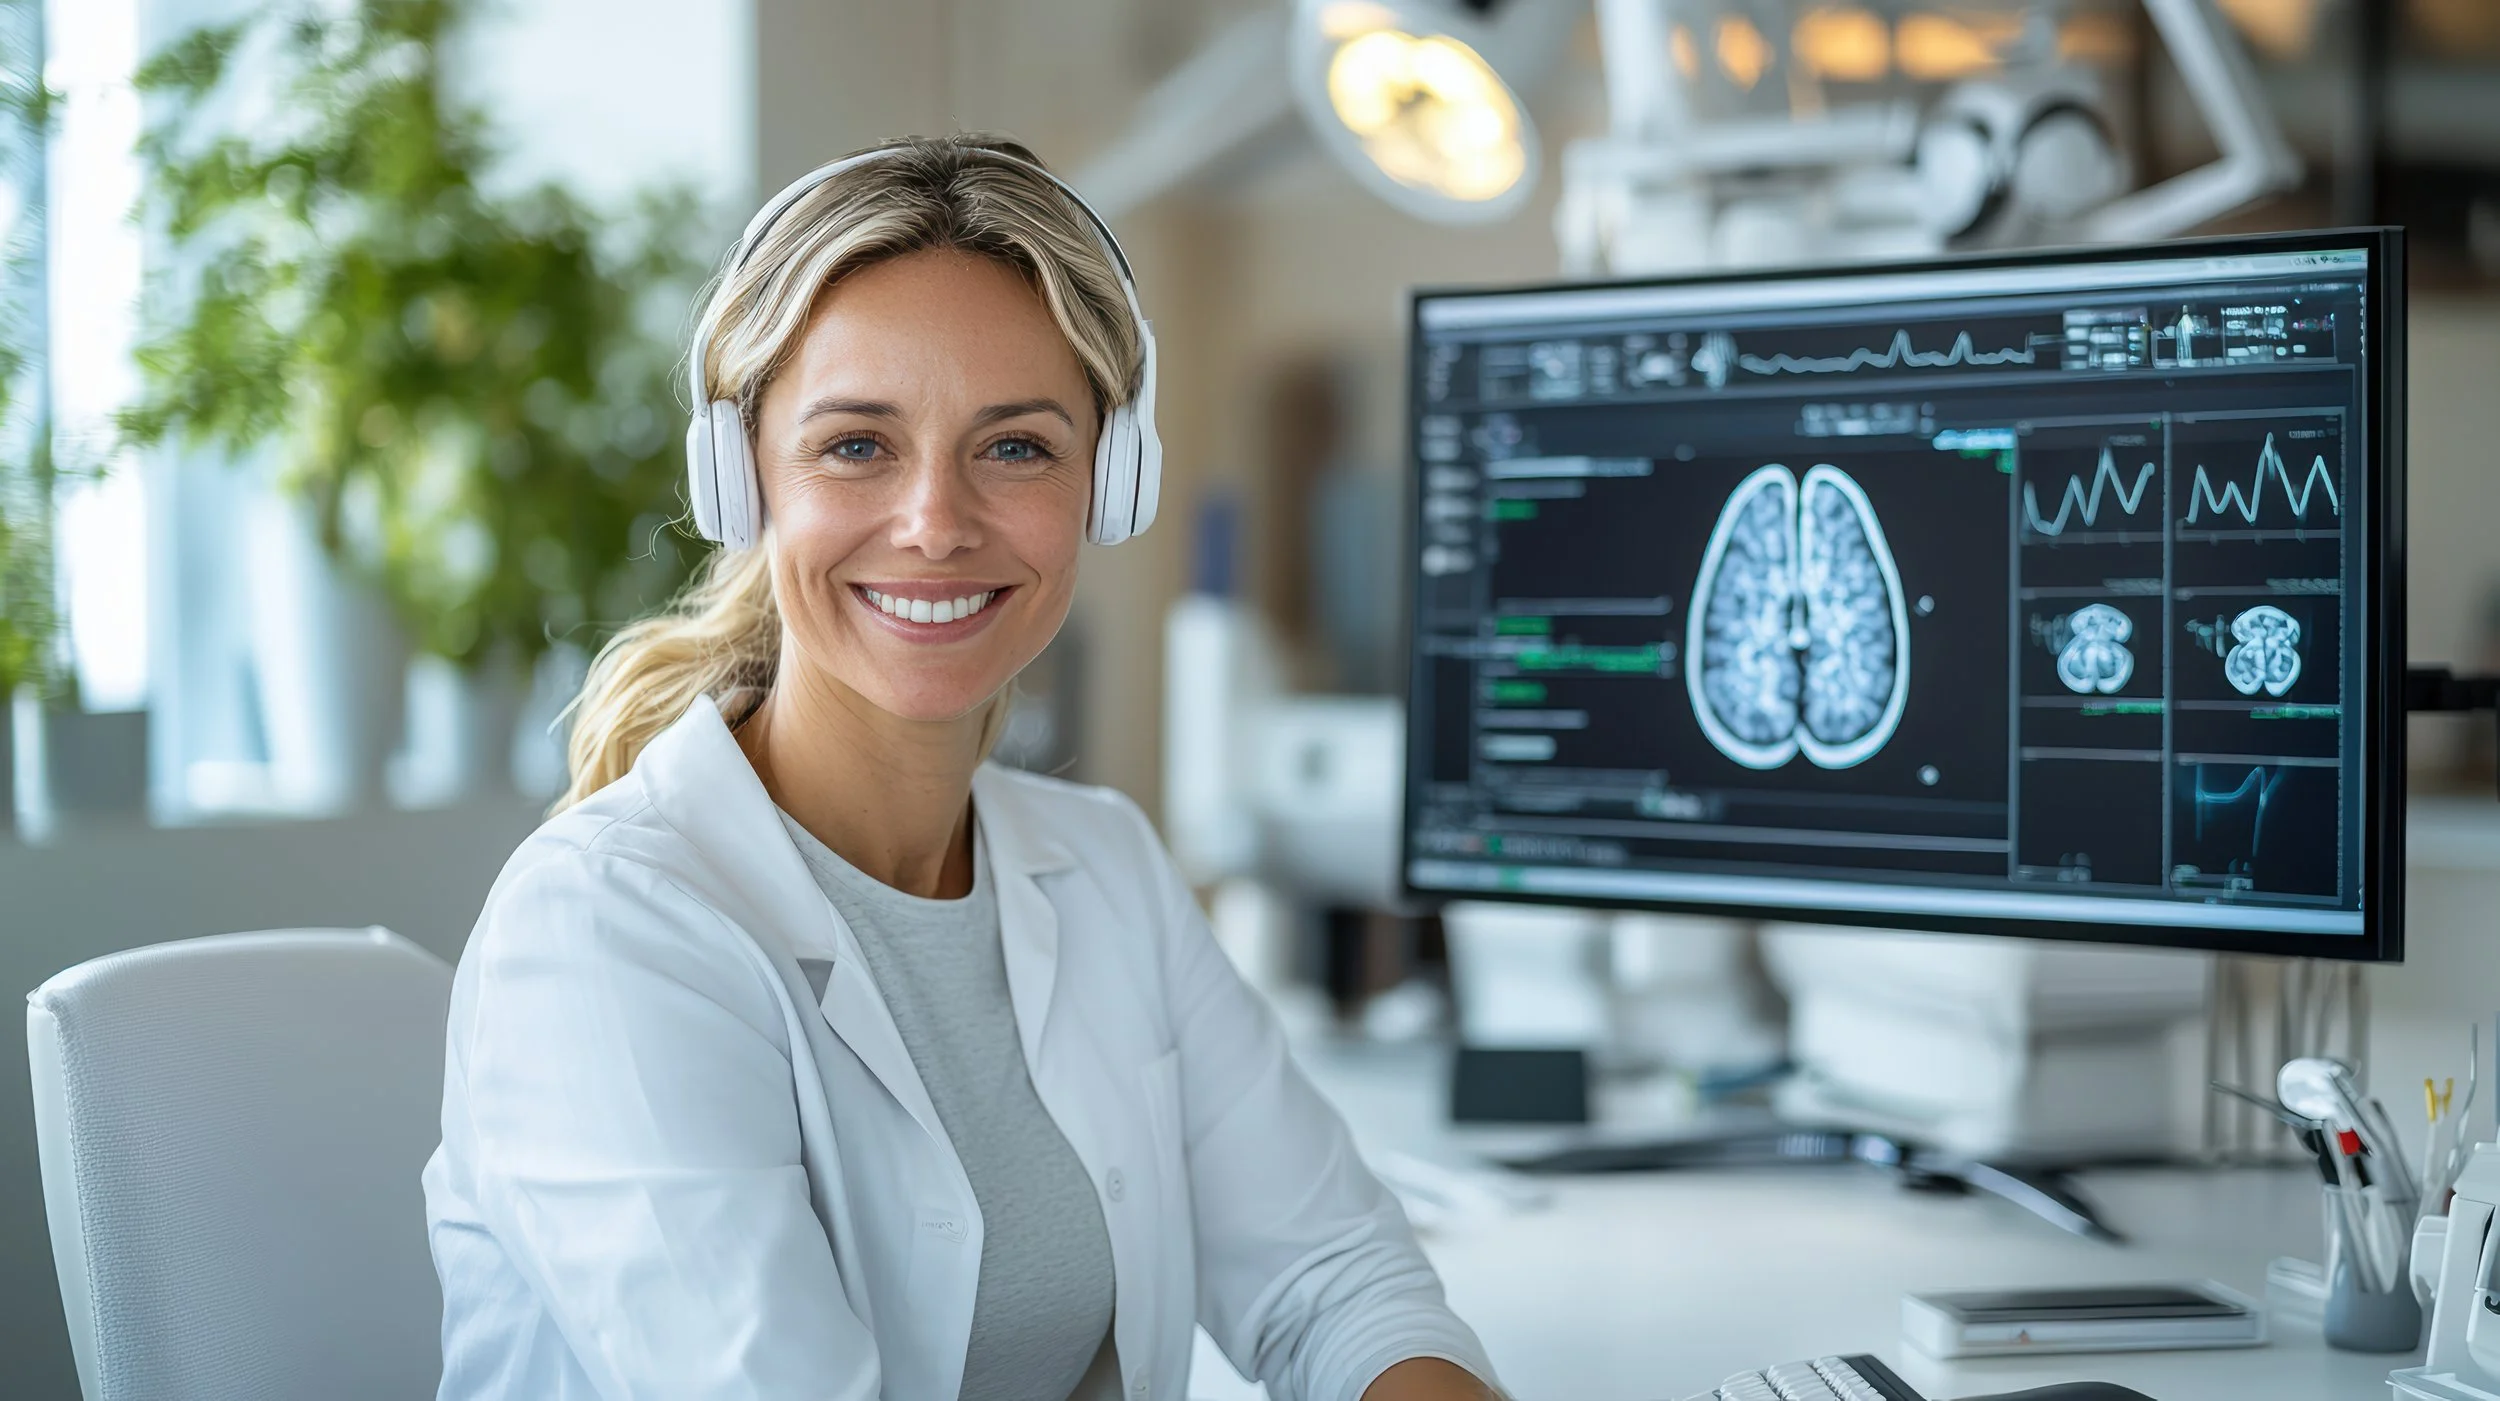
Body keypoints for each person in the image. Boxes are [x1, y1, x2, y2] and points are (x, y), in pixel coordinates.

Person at [420, 135, 1502, 1401]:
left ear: (1111, 481)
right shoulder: (605, 931)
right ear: (741, 479)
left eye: (1014, 448)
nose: (935, 523)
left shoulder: (1103, 868)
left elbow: (1338, 1285)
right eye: (856, 446)